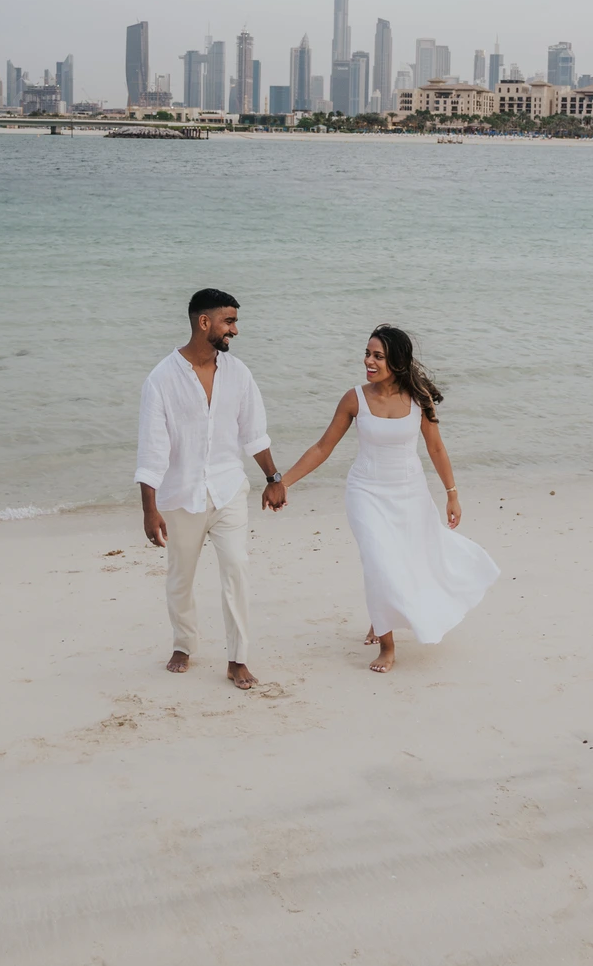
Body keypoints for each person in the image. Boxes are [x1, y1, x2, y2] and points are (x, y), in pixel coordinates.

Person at [265, 324, 497, 671]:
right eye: (367, 353)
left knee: (408, 559)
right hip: (366, 492)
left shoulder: (419, 398)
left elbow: (435, 447)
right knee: (378, 561)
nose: (368, 361)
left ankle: (380, 615)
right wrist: (283, 482)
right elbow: (322, 447)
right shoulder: (354, 399)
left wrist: (452, 494)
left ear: (398, 362)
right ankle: (387, 647)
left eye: (378, 356)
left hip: (409, 493)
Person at [136, 288, 286, 689]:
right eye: (229, 321)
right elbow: (151, 452)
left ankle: (238, 658)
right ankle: (184, 644)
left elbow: (254, 434)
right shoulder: (161, 380)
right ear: (205, 323)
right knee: (180, 577)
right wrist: (149, 510)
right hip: (182, 496)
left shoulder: (239, 374)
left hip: (228, 489)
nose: (235, 330)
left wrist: (274, 479)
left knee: (236, 567)